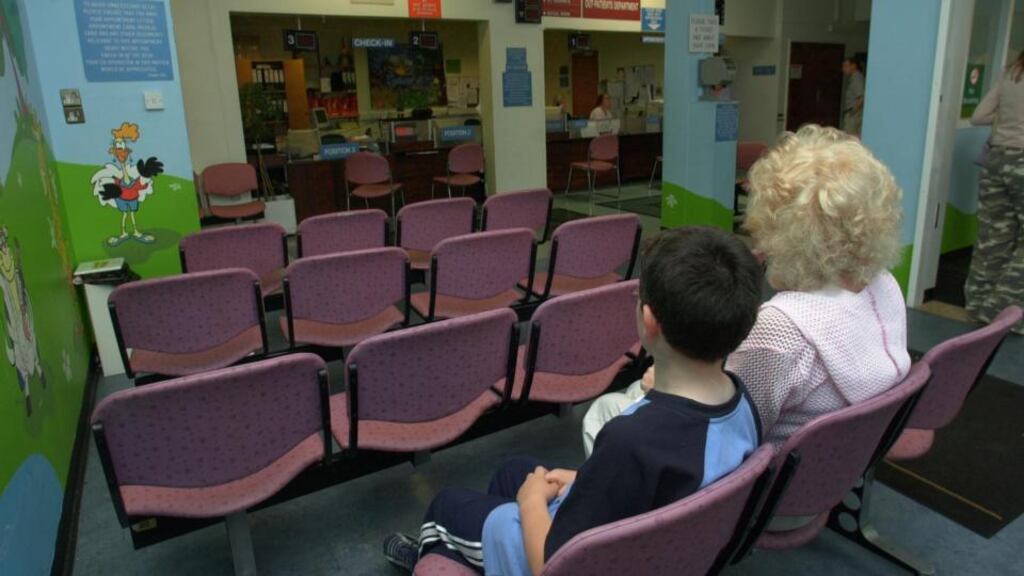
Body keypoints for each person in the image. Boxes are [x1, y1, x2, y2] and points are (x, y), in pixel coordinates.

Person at [382, 227, 764, 575]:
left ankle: (432, 552)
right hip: (651, 543)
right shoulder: (742, 403)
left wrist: (532, 503)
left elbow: (554, 565)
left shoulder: (631, 438)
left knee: (447, 506)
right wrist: (586, 479)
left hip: (570, 560)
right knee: (514, 470)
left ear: (648, 321)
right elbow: (672, 488)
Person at [583, 125, 910, 455]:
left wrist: (665, 389)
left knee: (605, 412)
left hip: (758, 483)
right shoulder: (885, 285)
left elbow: (726, 422)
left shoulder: (783, 328)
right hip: (834, 465)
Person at [966, 51, 1024, 334]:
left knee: (993, 236)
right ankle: (1003, 313)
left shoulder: (1011, 74)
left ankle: (977, 306)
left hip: (997, 161)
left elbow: (979, 116)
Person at [842, 58, 865, 137]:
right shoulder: (853, 78)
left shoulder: (857, 78)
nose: (843, 69)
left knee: (849, 138)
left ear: (853, 66)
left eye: (846, 66)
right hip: (853, 113)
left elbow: (861, 97)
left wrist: (852, 113)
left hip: (854, 114)